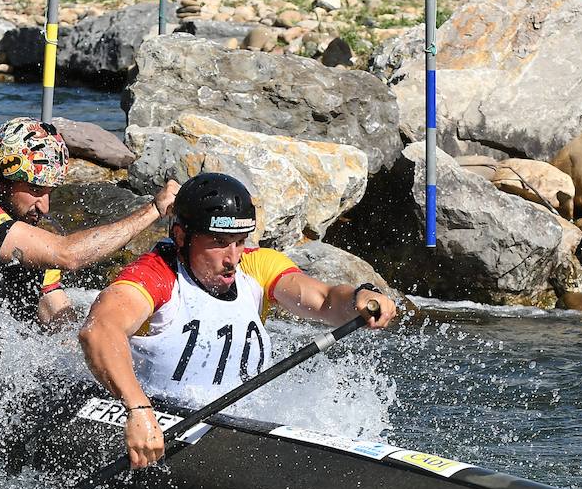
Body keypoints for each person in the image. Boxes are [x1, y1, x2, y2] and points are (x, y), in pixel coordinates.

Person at [79, 172, 397, 469]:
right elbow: (99, 330)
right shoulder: (156, 274)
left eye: (239, 240)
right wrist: (138, 409)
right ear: (180, 236)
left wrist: (361, 297)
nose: (232, 257)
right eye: (218, 243)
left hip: (231, 428)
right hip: (153, 421)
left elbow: (327, 301)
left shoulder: (258, 266)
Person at [0, 117, 179, 328]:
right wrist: (153, 209)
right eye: (36, 190)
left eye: (50, 192)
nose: (45, 206)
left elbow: (60, 322)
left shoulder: (32, 242)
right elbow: (68, 255)